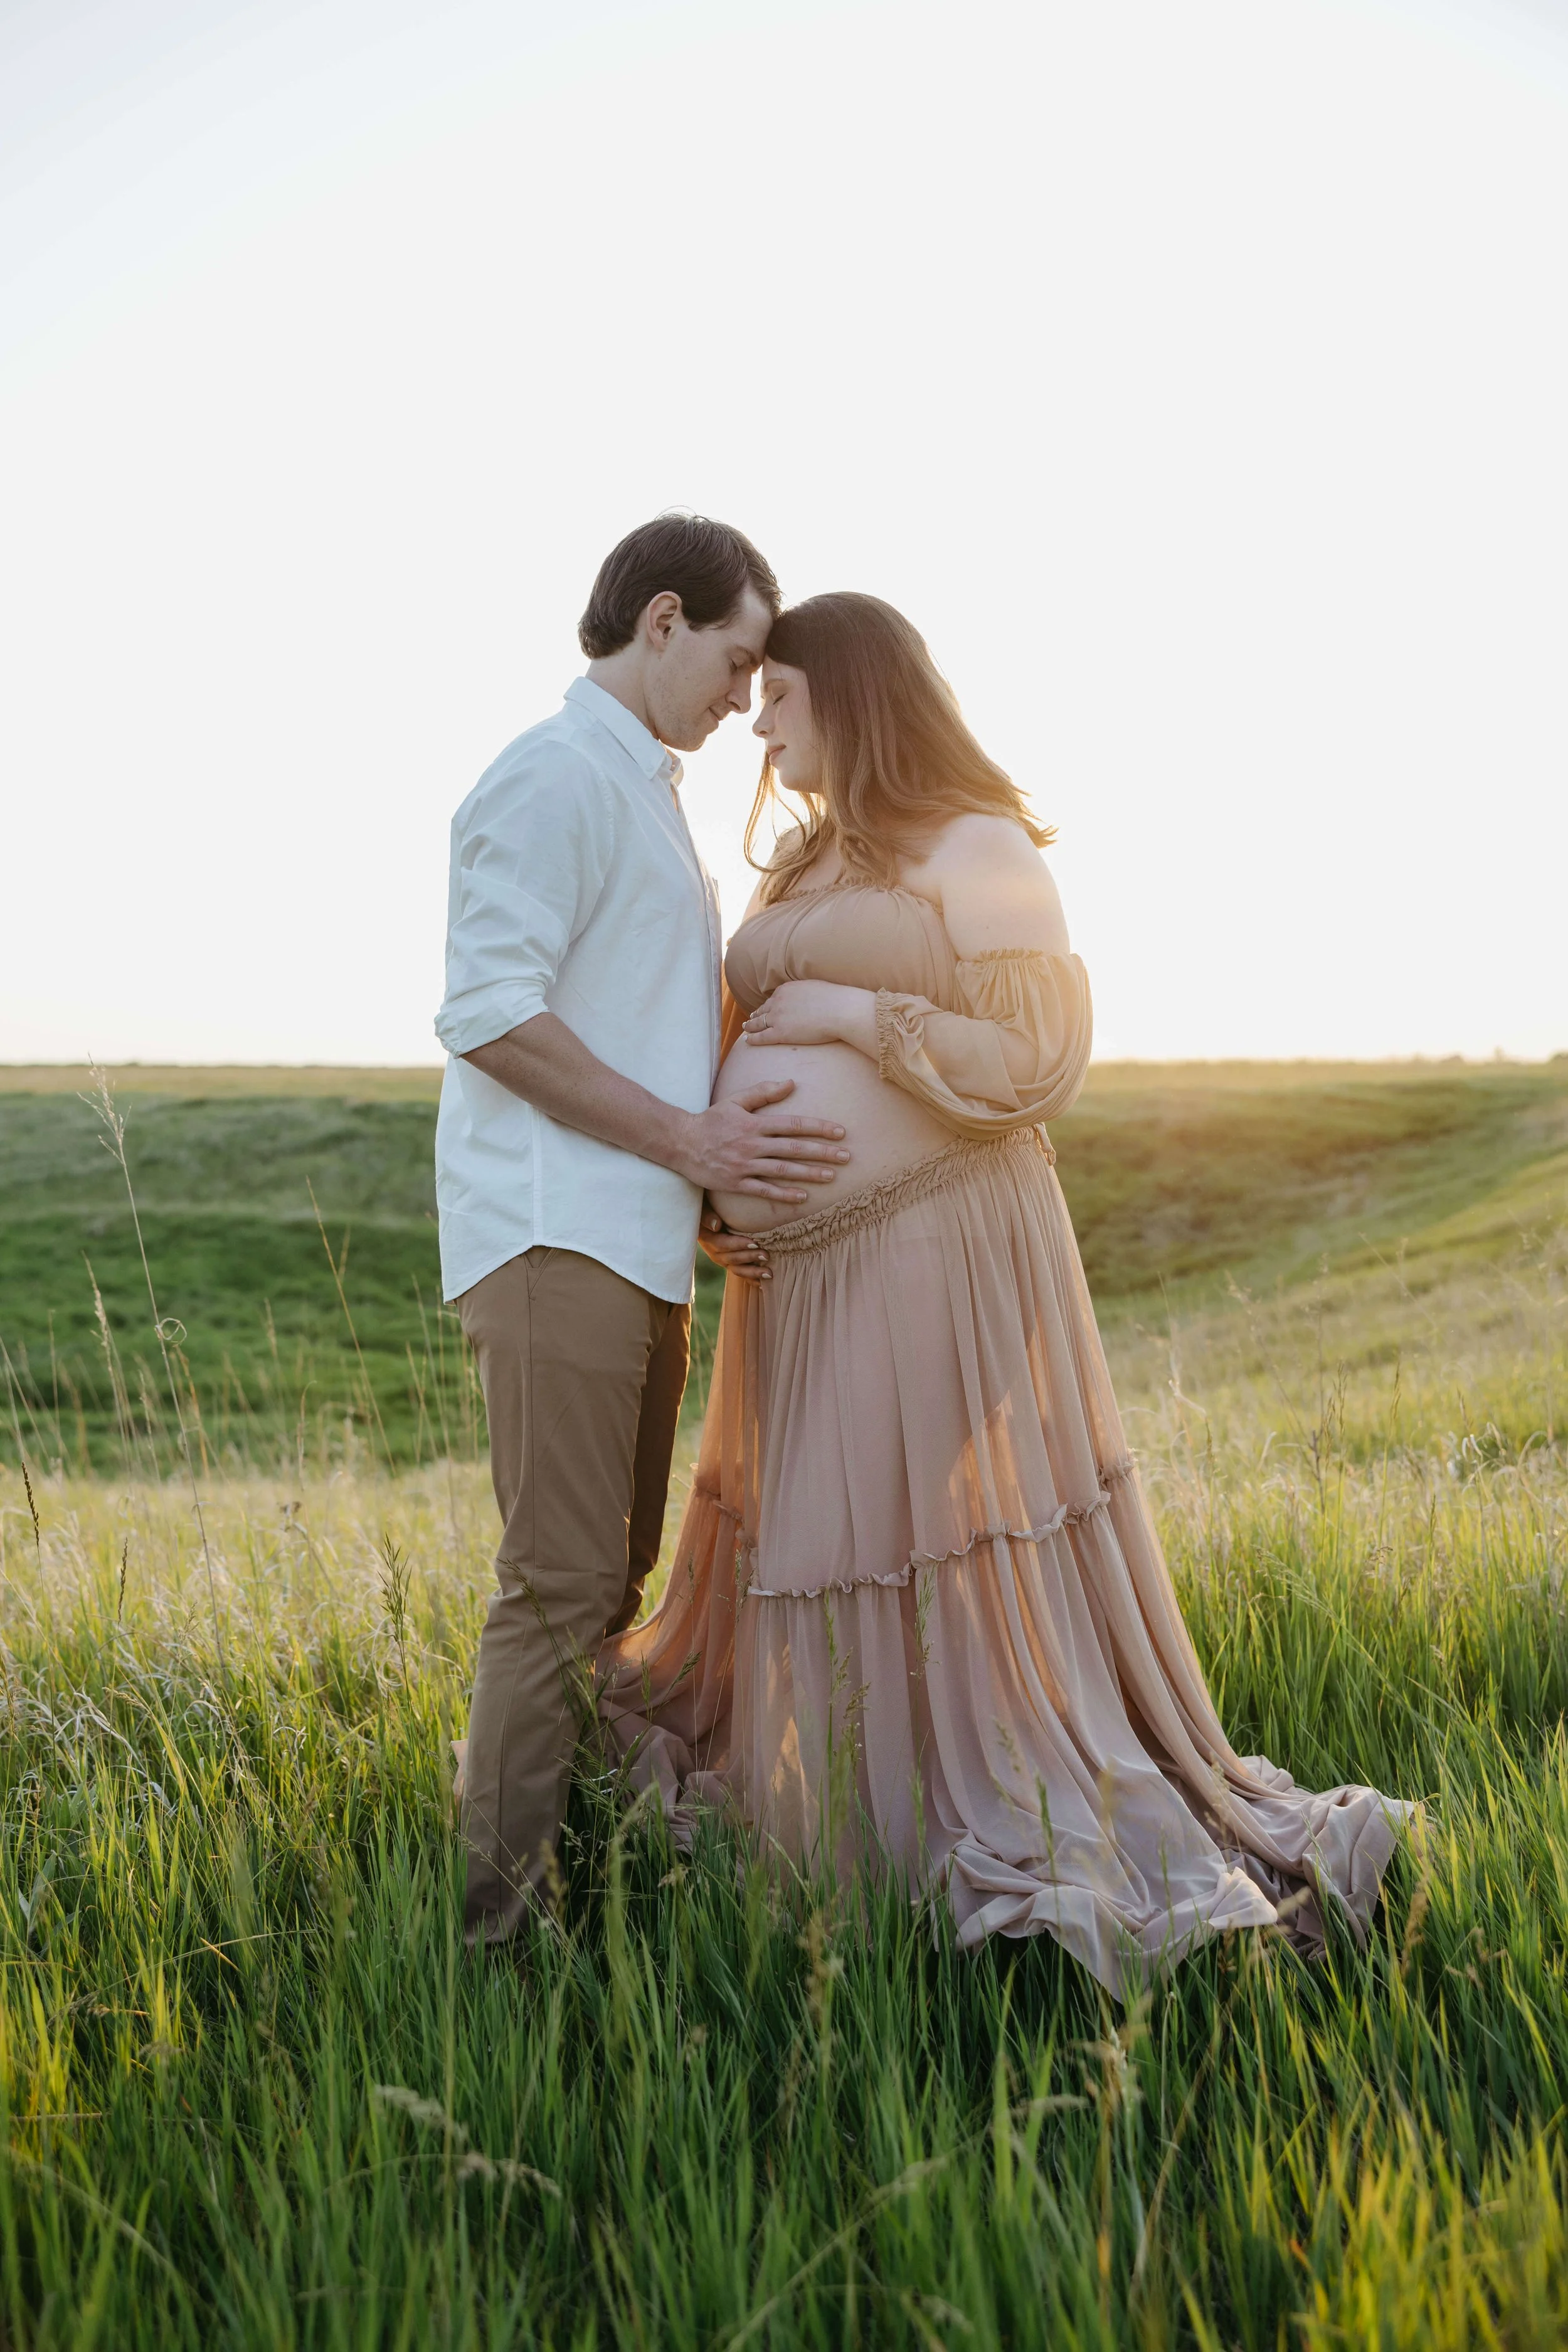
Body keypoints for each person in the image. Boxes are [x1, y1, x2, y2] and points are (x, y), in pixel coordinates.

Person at [598, 591, 1413, 1999]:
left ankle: (962, 1817)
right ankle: (859, 1817)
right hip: (803, 1277)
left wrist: (856, 1020)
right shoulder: (799, 864)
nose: (758, 718)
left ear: (855, 695)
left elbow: (1034, 1057)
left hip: (938, 1247)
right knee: (829, 1526)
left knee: (911, 1534)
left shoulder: (974, 845)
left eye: (781, 692)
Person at [435, 516, 855, 1944]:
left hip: (632, 1242)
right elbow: (491, 1012)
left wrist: (708, 1190)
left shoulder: (640, 788)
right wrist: (690, 1144)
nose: (747, 699)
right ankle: (496, 1933)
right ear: (661, 620)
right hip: (554, 1238)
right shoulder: (551, 775)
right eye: (737, 661)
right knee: (555, 1584)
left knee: (602, 1581)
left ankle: (548, 1863)